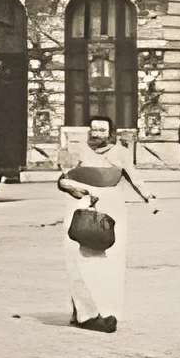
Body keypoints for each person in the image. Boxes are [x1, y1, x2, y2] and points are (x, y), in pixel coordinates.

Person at [57, 114, 153, 332]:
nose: (97, 134)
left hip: (112, 207)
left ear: (111, 133)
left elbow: (134, 177)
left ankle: (106, 310)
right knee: (79, 259)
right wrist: (73, 189)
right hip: (81, 205)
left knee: (110, 261)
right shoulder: (77, 150)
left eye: (102, 130)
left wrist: (149, 197)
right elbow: (63, 179)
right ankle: (85, 314)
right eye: (94, 129)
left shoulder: (121, 153)